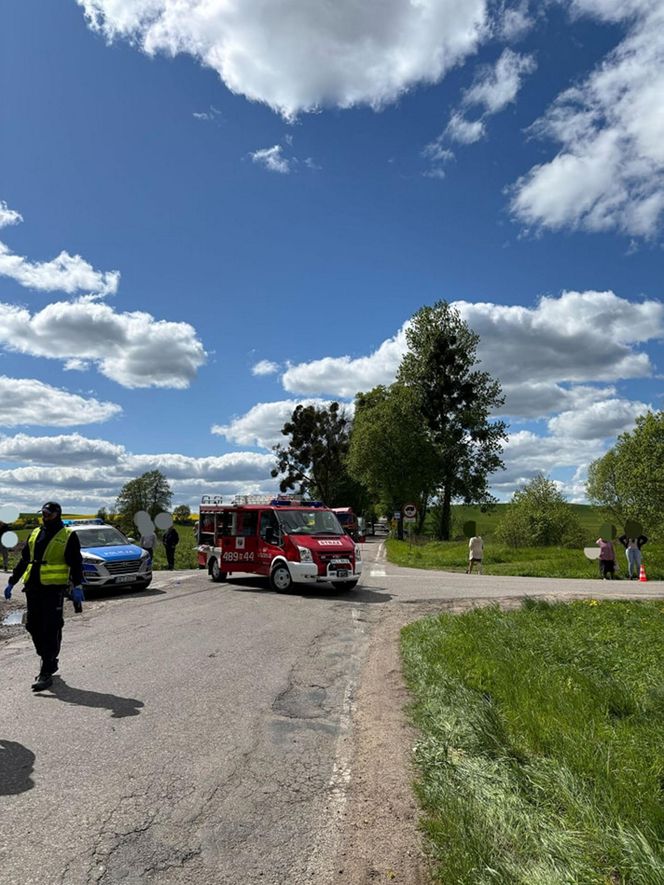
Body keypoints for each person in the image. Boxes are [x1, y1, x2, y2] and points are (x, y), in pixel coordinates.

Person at [3, 502, 84, 691]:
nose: (44, 517)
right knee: (32, 625)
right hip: (33, 586)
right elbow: (25, 559)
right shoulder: (35, 533)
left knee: (51, 626)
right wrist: (12, 581)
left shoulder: (68, 535)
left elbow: (76, 562)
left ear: (57, 514)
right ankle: (48, 657)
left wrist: (77, 585)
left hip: (54, 588)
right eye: (43, 514)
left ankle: (46, 670)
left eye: (48, 514)